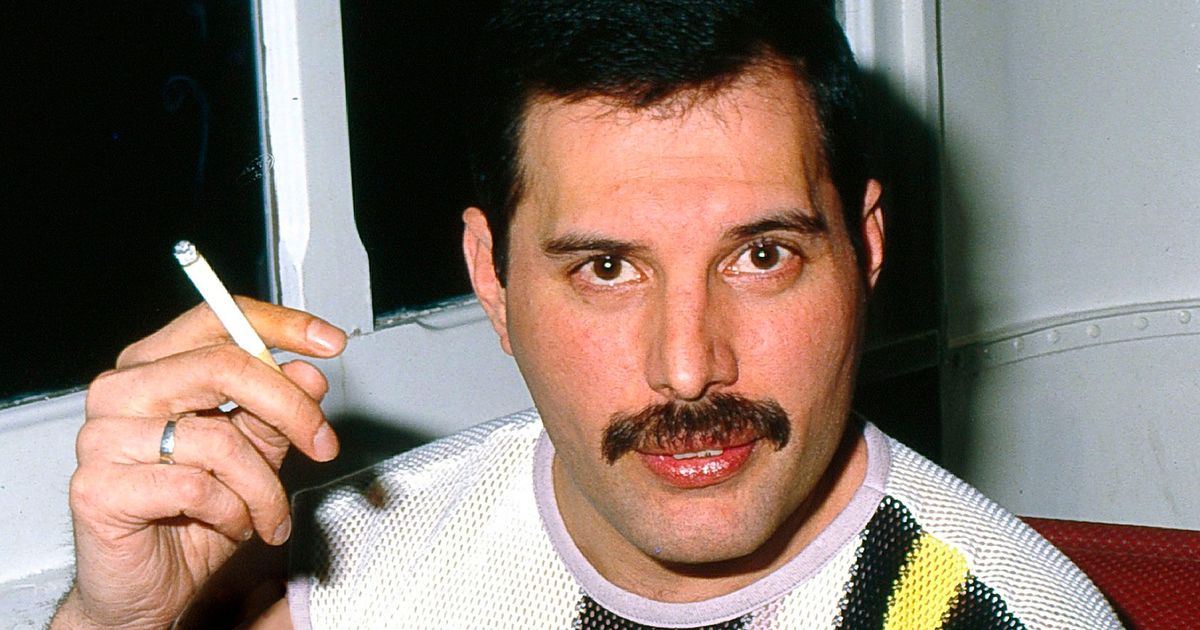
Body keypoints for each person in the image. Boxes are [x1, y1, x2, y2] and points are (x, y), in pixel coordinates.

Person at [53, 1, 1121, 628]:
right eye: (608, 267)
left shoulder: (1002, 615)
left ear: (868, 249)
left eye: (762, 256)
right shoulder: (360, 574)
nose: (689, 366)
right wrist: (120, 621)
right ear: (492, 278)